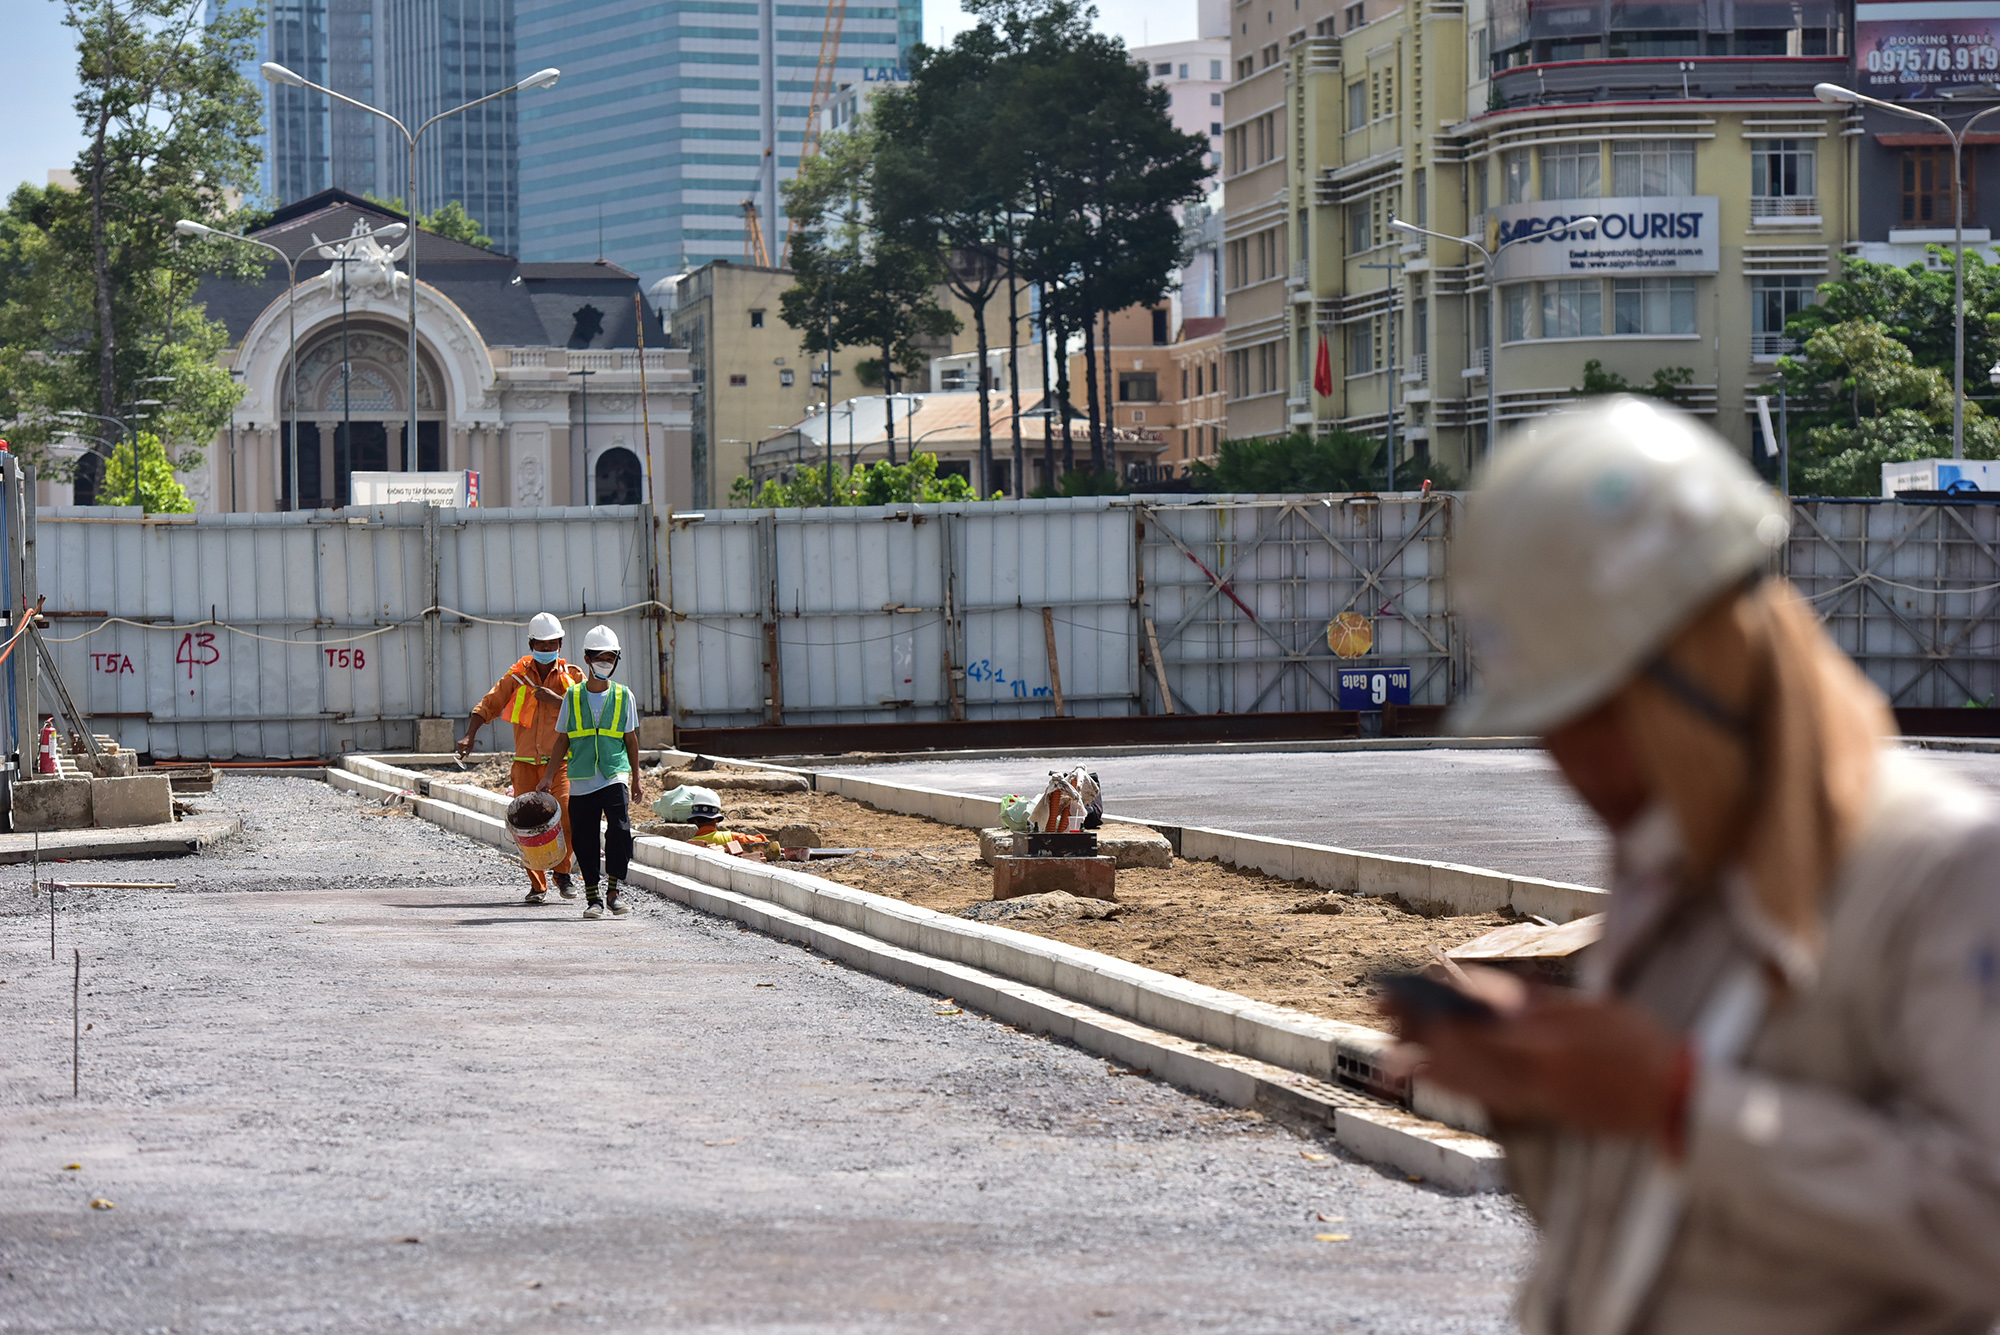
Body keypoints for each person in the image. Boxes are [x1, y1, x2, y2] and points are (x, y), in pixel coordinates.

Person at [1386, 396, 2000, 1335]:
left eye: (1597, 715)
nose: (1572, 765)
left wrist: (1682, 1101)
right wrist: (1543, 1090)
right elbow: (1646, 1238)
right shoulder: (1675, 874)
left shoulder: (1943, 870)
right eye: (1548, 725)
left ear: (1701, 664)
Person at [459, 612, 585, 904]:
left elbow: (587, 711)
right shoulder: (517, 677)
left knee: (567, 816)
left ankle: (563, 874)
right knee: (527, 826)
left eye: (552, 644)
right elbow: (488, 704)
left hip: (562, 764)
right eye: (541, 645)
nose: (546, 649)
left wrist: (555, 700)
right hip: (526, 764)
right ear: (531, 644)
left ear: (561, 644)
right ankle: (537, 884)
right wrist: (469, 735)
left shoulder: (573, 677)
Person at [541, 625, 640, 919]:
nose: (605, 664)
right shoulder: (572, 697)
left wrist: (636, 777)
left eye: (610, 658)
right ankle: (593, 897)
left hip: (614, 773)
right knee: (585, 838)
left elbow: (631, 739)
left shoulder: (625, 696)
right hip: (582, 778)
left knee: (620, 830)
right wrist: (547, 776)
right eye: (599, 658)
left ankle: (613, 891)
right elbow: (562, 739)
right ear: (587, 658)